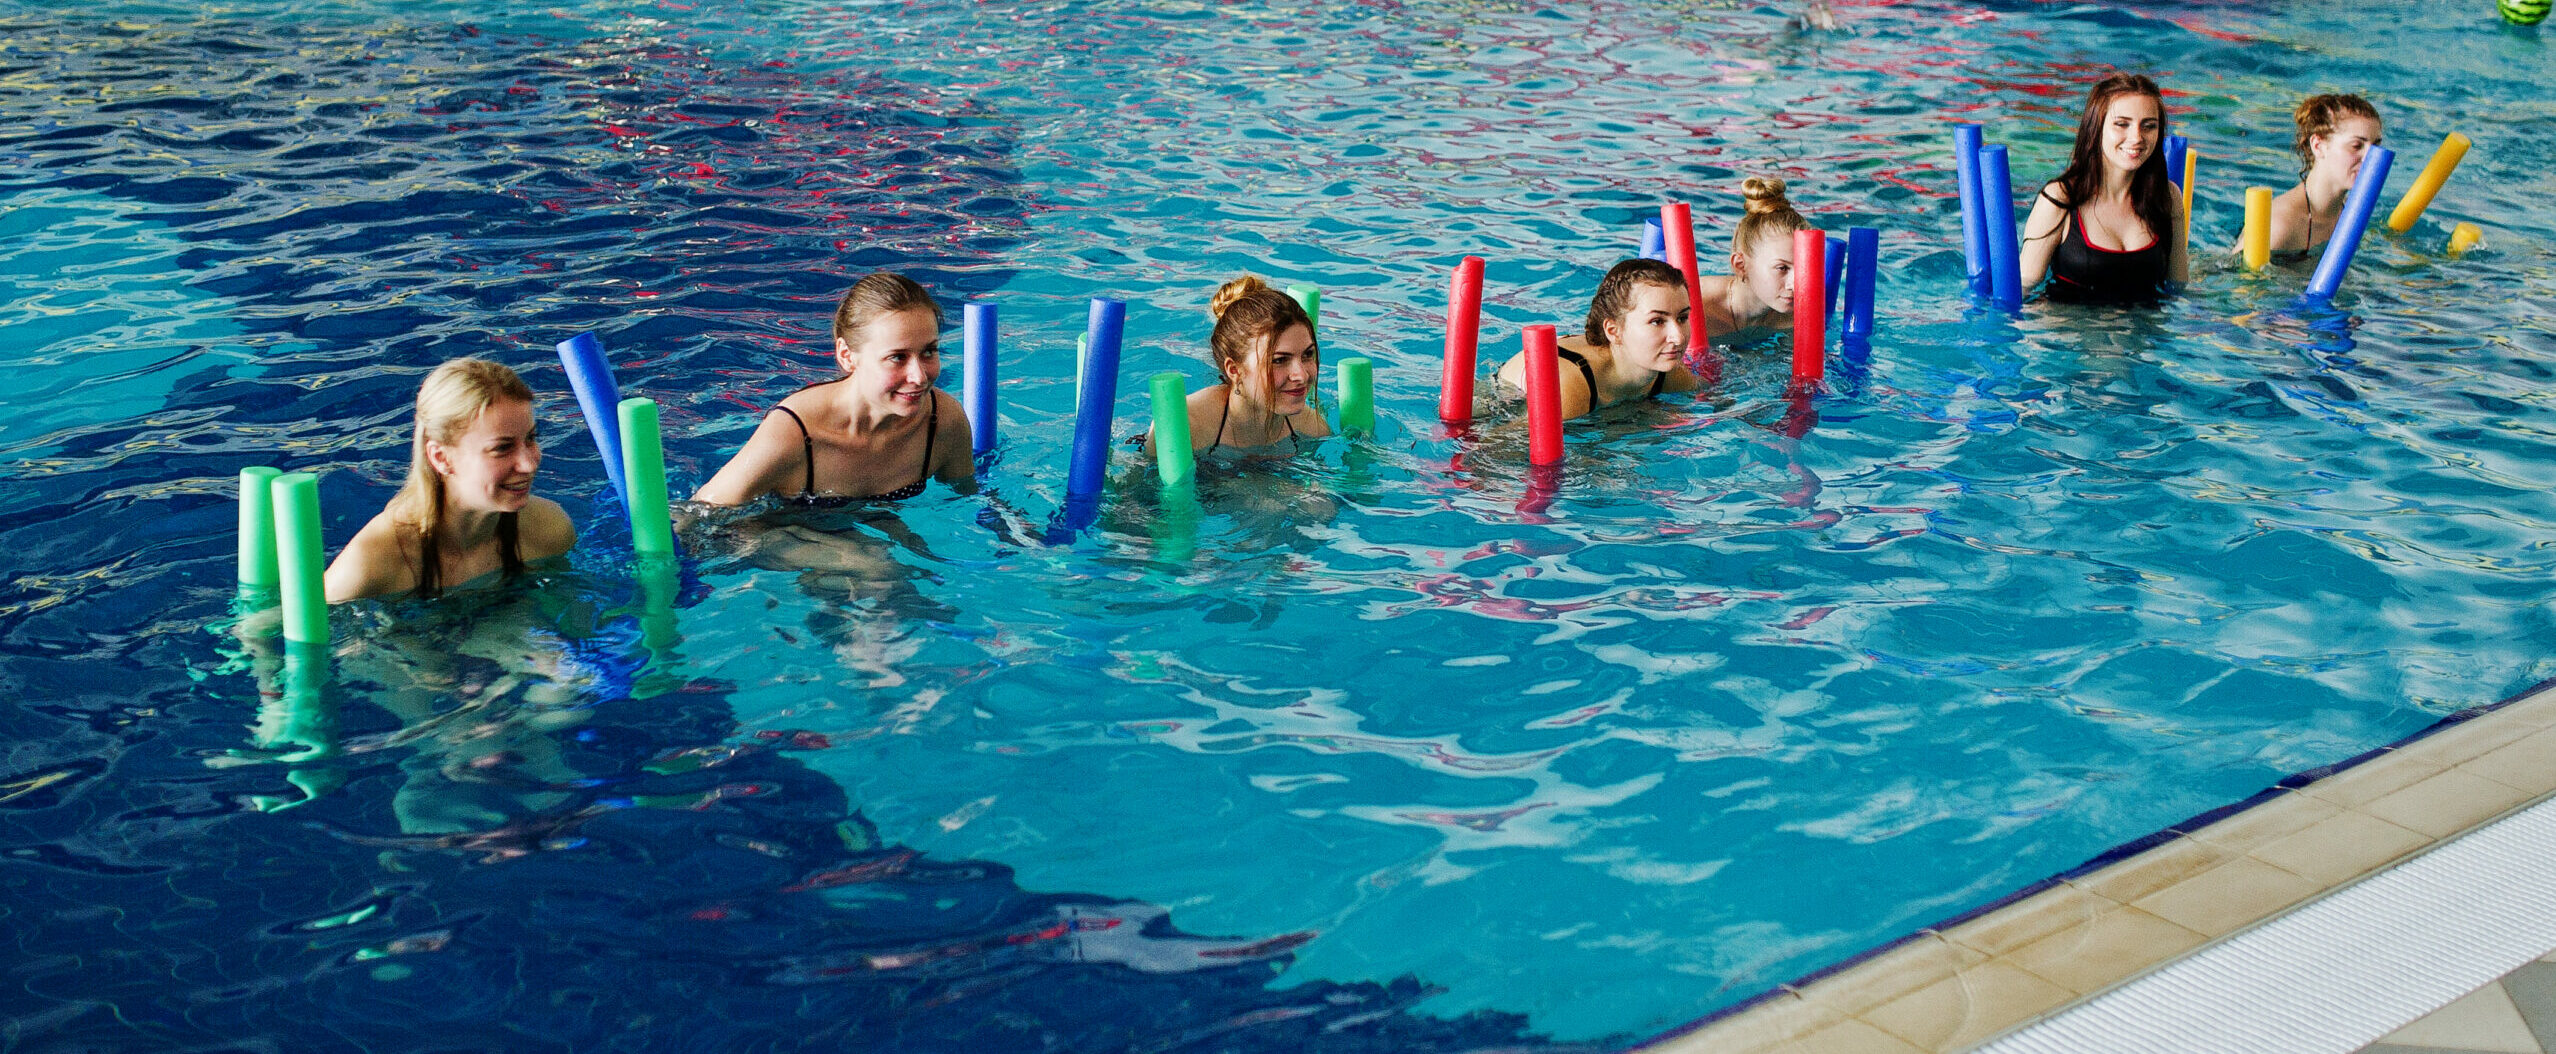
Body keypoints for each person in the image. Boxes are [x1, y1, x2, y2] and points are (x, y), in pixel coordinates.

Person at [695, 272, 976, 506]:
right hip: (780, 531)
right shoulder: (796, 432)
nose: (919, 376)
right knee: (876, 567)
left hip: (873, 525)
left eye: (929, 352)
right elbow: (703, 512)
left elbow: (970, 500)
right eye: (897, 357)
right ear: (846, 355)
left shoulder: (943, 421)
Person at [324, 358, 576, 602]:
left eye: (531, 438)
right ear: (441, 457)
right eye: (502, 448)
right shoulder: (370, 563)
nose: (529, 463)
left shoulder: (548, 530)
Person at [2018, 72, 2190, 305]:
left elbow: (2178, 288)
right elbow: (2022, 289)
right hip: (2069, 334)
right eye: (2122, 124)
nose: (2136, 137)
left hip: (2145, 336)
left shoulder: (2167, 197)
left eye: (2149, 126)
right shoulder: (2060, 199)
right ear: (2096, 127)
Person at [1142, 275, 1331, 458]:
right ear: (1234, 370)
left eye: (1307, 354)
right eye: (1279, 360)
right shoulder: (1186, 428)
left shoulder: (1312, 427)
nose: (1302, 375)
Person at [1494, 258, 1701, 419]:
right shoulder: (1569, 388)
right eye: (1657, 321)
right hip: (1506, 396)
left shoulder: (1669, 373)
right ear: (1613, 331)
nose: (1678, 336)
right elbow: (1496, 454)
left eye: (1682, 318)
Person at [2237, 93, 2384, 257]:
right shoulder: (2280, 225)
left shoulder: (2353, 213)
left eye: (2376, 148)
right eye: (2356, 146)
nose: (2371, 160)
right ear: (2318, 146)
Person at [1689, 177, 1815, 344]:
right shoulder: (1695, 309)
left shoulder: (1795, 314)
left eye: (1804, 268)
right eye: (1782, 268)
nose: (1797, 283)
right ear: (1741, 266)